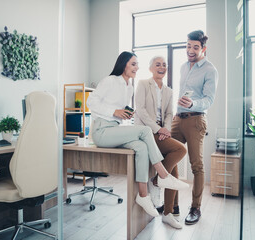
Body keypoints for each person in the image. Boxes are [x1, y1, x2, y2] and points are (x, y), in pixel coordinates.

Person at [87, 51, 189, 217]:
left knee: (141, 147)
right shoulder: (110, 80)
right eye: (133, 64)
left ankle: (143, 195)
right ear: (124, 64)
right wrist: (115, 111)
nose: (137, 67)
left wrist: (124, 114)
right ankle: (162, 175)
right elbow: (90, 102)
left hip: (115, 129)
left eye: (137, 64)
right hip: (101, 131)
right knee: (145, 130)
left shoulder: (129, 87)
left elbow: (119, 114)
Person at [172, 30, 218, 225]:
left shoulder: (210, 70)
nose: (190, 50)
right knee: (169, 159)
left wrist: (192, 104)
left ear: (203, 48)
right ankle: (171, 205)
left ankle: (195, 208)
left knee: (196, 165)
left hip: (196, 119)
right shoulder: (183, 67)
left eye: (195, 47)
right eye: (188, 46)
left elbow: (209, 99)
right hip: (178, 118)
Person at [134, 56, 187, 229]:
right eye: (158, 64)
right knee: (181, 150)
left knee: (174, 170)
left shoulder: (169, 91)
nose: (162, 67)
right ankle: (159, 180)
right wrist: (158, 129)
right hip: (146, 132)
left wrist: (166, 128)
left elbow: (169, 114)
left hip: (161, 133)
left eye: (165, 65)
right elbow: (140, 110)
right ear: (151, 68)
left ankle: (167, 212)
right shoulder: (142, 84)